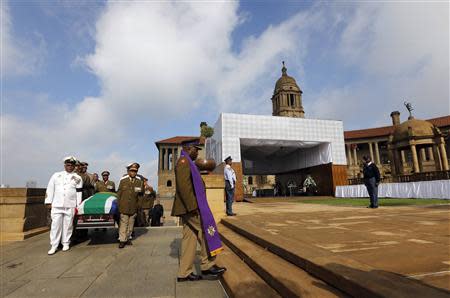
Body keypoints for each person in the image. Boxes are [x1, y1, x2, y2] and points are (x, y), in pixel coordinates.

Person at [172, 139, 226, 282]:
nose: (198, 152)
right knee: (206, 231)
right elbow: (184, 188)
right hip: (190, 208)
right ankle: (207, 266)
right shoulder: (184, 163)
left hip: (187, 207)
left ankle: (184, 273)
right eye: (196, 149)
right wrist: (193, 207)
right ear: (189, 149)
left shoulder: (188, 162)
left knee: (189, 239)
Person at [45, 156, 83, 255]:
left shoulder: (78, 178)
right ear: (65, 165)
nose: (70, 167)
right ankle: (54, 245)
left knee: (68, 225)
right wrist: (48, 202)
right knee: (55, 225)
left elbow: (79, 193)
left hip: (70, 205)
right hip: (57, 204)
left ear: (74, 166)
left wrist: (77, 206)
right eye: (68, 165)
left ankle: (66, 242)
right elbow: (50, 188)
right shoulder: (56, 175)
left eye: (72, 165)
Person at [117, 164, 144, 248]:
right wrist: (119, 205)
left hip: (134, 206)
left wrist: (138, 206)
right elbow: (119, 194)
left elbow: (140, 196)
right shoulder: (123, 181)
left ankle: (128, 238)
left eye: (135, 171)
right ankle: (122, 240)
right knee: (124, 224)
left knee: (131, 224)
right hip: (124, 206)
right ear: (128, 171)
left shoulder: (139, 182)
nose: (133, 172)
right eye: (132, 171)